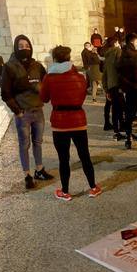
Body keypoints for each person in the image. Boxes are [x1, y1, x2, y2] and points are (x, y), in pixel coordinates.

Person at [40, 45, 101, 201]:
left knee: (63, 158)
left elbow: (44, 98)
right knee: (84, 155)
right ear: (69, 58)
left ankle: (65, 191)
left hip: (59, 122)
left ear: (54, 59)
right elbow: (82, 95)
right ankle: (93, 187)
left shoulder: (49, 77)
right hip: (78, 120)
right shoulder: (80, 77)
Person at [1, 34, 54, 189]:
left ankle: (39, 169)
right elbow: (5, 93)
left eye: (27, 46)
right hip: (22, 112)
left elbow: (46, 84)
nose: (25, 48)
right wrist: (17, 111)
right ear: (16, 48)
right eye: (21, 46)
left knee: (38, 142)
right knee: (24, 144)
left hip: (38, 111)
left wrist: (44, 92)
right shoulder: (9, 67)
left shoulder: (37, 66)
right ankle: (27, 175)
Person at [102, 36, 126, 140]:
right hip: (118, 85)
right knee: (120, 107)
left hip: (111, 85)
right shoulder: (118, 51)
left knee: (115, 108)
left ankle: (116, 129)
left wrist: (106, 89)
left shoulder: (107, 55)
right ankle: (121, 128)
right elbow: (121, 69)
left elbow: (104, 74)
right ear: (116, 43)